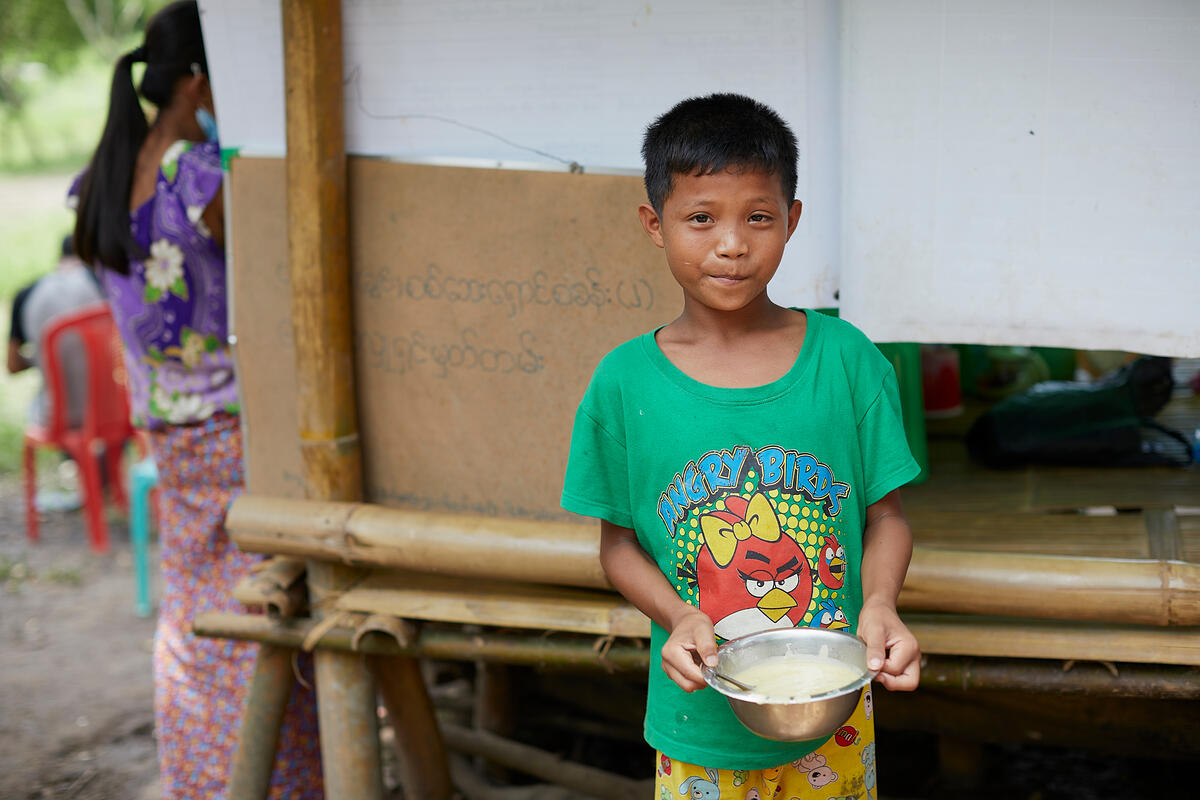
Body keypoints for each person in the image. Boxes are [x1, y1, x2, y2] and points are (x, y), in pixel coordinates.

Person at [561, 94, 921, 796]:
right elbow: (618, 545)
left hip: (832, 716)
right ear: (655, 224)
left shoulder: (846, 362)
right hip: (697, 715)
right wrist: (680, 616)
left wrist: (879, 604)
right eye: (701, 218)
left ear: (791, 220)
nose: (731, 244)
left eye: (758, 217)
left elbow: (887, 516)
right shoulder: (624, 382)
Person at [70, 3, 322, 797]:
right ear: (198, 81)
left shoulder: (103, 178)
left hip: (165, 435)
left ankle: (200, 777)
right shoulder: (198, 175)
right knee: (265, 612)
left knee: (192, 618)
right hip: (233, 432)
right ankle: (268, 783)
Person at [7, 234, 104, 429]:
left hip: (55, 416)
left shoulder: (26, 294)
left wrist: (44, 357)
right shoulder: (104, 286)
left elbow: (12, 366)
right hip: (111, 410)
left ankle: (73, 458)